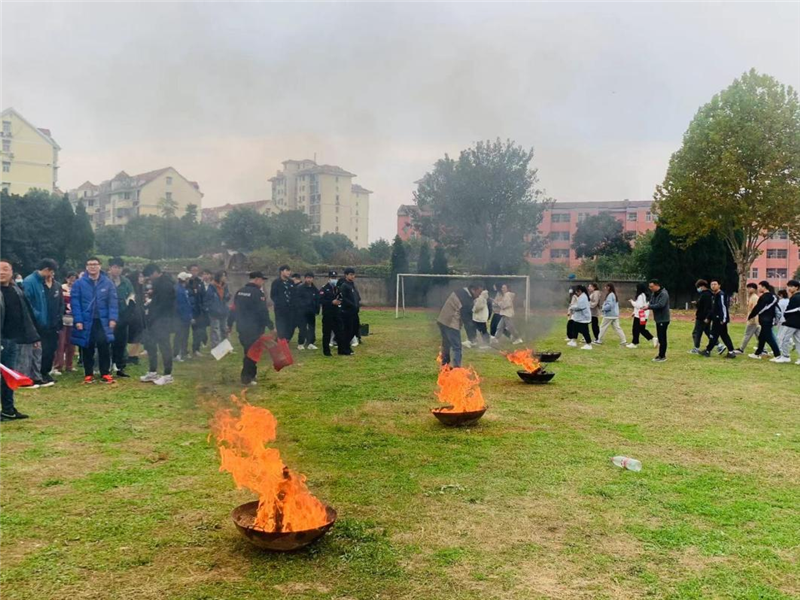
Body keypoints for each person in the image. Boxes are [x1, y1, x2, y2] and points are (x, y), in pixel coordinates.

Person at [1, 259, 39, 421]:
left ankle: (8, 409)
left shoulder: (17, 291)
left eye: (5, 269)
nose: (2, 272)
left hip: (12, 341)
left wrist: (33, 336)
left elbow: (26, 314)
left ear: (12, 272)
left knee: (9, 377)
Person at [71, 257, 118, 384]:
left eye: (95, 264)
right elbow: (75, 303)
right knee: (87, 347)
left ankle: (105, 373)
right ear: (86, 267)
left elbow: (113, 302)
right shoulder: (79, 284)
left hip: (102, 321)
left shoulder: (108, 283)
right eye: (90, 264)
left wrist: (113, 318)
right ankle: (88, 373)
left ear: (100, 266)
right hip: (86, 320)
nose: (92, 267)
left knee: (104, 346)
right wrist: (78, 320)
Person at [19, 259, 60, 386]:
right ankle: (34, 375)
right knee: (37, 351)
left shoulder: (42, 281)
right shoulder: (30, 281)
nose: (51, 275)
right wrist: (37, 316)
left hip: (47, 322)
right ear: (46, 269)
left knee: (48, 349)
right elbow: (27, 302)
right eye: (51, 272)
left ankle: (43, 373)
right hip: (36, 322)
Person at [233, 271, 274, 385]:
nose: (262, 283)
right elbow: (263, 312)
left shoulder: (240, 292)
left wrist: (229, 324)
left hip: (242, 327)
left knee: (248, 351)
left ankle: (252, 374)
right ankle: (246, 377)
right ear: (257, 279)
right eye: (262, 280)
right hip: (254, 328)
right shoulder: (258, 293)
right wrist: (271, 326)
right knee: (251, 353)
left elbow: (233, 309)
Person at [140, 263, 176, 385]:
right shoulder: (158, 283)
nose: (149, 279)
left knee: (164, 346)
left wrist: (152, 311)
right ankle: (152, 371)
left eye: (150, 276)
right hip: (154, 320)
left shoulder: (166, 284)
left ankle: (167, 374)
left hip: (163, 320)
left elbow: (164, 304)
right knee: (151, 345)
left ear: (155, 272)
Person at [437, 283, 483, 367]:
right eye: (479, 293)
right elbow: (467, 320)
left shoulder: (461, 291)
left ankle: (445, 365)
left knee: (446, 344)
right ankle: (457, 369)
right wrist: (472, 337)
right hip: (451, 323)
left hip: (442, 320)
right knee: (457, 347)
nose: (479, 296)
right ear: (473, 290)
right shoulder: (466, 299)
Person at [108, 257, 135, 378]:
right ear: (110, 268)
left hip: (123, 316)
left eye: (119, 268)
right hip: (108, 316)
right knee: (108, 342)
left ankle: (120, 367)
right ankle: (106, 366)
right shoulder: (105, 281)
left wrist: (127, 315)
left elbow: (131, 298)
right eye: (115, 267)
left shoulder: (126, 282)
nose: (117, 270)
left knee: (121, 342)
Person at [700, 279, 736, 359]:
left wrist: (723, 319)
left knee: (714, 335)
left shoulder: (721, 295)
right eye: (712, 284)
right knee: (724, 335)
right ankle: (731, 352)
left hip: (719, 320)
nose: (713, 286)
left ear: (719, 285)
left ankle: (708, 350)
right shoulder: (714, 295)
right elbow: (713, 309)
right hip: (716, 319)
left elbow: (723, 308)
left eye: (715, 284)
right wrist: (708, 317)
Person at [748, 281, 781, 360]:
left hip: (766, 320)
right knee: (762, 337)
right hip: (768, 319)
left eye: (759, 287)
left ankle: (777, 355)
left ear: (764, 287)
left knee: (769, 338)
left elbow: (758, 307)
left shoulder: (765, 297)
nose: (758, 288)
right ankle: (757, 353)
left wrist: (751, 315)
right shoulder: (773, 296)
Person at [319, 271, 347, 356]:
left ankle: (341, 350)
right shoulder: (324, 288)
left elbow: (342, 298)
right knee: (327, 333)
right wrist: (331, 302)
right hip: (328, 314)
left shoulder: (338, 288)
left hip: (337, 313)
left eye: (335, 277)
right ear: (329, 278)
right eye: (332, 277)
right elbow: (320, 300)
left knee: (339, 332)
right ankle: (326, 351)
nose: (334, 279)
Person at [54, 272, 77, 373]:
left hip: (73, 319)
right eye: (70, 279)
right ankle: (58, 365)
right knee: (61, 343)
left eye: (74, 279)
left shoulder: (77, 289)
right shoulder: (61, 288)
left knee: (71, 344)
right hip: (63, 319)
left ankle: (69, 365)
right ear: (66, 279)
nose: (72, 281)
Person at [773, 280, 800, 364]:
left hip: (792, 322)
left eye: (791, 286)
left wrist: (786, 317)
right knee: (798, 340)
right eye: (788, 286)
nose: (789, 288)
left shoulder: (796, 297)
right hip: (797, 322)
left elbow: (790, 310)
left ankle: (785, 356)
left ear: (797, 287)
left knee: (784, 339)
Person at [646, 279, 670, 362]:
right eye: (649, 287)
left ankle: (662, 356)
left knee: (662, 338)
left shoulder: (664, 294)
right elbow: (651, 303)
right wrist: (648, 306)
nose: (650, 288)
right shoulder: (654, 294)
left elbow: (661, 305)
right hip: (658, 319)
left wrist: (649, 307)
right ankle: (660, 355)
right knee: (660, 337)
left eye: (652, 286)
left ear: (657, 285)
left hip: (663, 319)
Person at [294, 272, 319, 351]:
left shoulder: (314, 289)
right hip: (302, 312)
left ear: (313, 279)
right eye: (307, 278)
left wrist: (317, 310)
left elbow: (317, 300)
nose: (309, 279)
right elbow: (297, 300)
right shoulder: (300, 288)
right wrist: (302, 307)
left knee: (312, 327)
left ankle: (310, 343)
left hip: (311, 312)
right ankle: (300, 343)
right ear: (305, 278)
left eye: (310, 278)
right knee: (302, 328)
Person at [205, 270, 231, 349]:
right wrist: (212, 308)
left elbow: (225, 299)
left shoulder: (225, 286)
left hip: (223, 311)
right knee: (215, 330)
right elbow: (208, 299)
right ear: (218, 277)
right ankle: (216, 348)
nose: (224, 277)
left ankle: (226, 347)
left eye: (225, 275)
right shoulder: (211, 287)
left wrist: (228, 297)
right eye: (223, 276)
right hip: (214, 312)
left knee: (224, 329)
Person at [187, 264, 208, 356]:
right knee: (185, 332)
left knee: (198, 331)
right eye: (193, 270)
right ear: (189, 271)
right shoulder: (187, 281)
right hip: (189, 309)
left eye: (196, 270)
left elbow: (203, 295)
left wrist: (203, 307)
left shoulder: (200, 282)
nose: (195, 272)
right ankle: (183, 350)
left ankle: (196, 349)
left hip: (198, 310)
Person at [734, 282, 760, 355]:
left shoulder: (755, 298)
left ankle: (741, 349)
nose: (748, 289)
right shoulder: (751, 297)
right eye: (747, 288)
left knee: (747, 335)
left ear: (754, 289)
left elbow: (755, 309)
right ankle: (763, 349)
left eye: (750, 288)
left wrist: (752, 319)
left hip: (752, 320)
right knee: (759, 336)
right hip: (753, 320)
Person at [339, 268, 362, 353]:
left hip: (354, 312)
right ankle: (344, 348)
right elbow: (344, 298)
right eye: (351, 275)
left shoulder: (352, 285)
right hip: (347, 312)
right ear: (346, 275)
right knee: (347, 330)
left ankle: (346, 345)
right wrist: (352, 305)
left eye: (353, 275)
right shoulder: (344, 286)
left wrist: (357, 304)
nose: (352, 276)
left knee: (355, 329)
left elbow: (357, 297)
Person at [126, 270, 146, 364]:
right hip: (134, 315)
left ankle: (134, 355)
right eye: (140, 277)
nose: (142, 279)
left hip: (140, 314)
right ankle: (131, 355)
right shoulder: (132, 289)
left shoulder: (140, 288)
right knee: (134, 336)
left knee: (139, 336)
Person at [626, 283, 654, 349]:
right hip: (644, 315)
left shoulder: (640, 296)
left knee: (635, 329)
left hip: (639, 315)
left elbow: (638, 305)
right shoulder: (646, 296)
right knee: (641, 329)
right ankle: (653, 338)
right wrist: (634, 312)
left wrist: (632, 302)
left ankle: (634, 343)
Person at [270, 265, 295, 341]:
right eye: (287, 270)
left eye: (289, 270)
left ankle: (287, 339)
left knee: (290, 325)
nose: (289, 272)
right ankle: (281, 339)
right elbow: (273, 295)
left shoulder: (291, 282)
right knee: (281, 325)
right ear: (281, 271)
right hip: (280, 309)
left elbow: (294, 294)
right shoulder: (276, 282)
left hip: (290, 308)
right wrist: (280, 303)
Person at [690, 280, 714, 354]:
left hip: (702, 317)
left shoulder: (705, 295)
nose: (698, 289)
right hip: (705, 316)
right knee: (707, 331)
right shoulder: (708, 294)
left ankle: (696, 348)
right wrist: (697, 303)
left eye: (698, 287)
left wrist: (706, 317)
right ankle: (719, 345)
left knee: (696, 332)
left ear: (702, 286)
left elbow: (706, 307)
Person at [173, 272, 193, 362]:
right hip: (181, 317)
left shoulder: (182, 289)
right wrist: (186, 316)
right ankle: (176, 354)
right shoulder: (179, 290)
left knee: (184, 335)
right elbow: (181, 306)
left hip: (185, 316)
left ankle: (182, 352)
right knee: (179, 335)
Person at [566, 285, 593, 349]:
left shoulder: (583, 297)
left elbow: (580, 307)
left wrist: (572, 307)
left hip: (583, 318)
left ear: (580, 291)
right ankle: (573, 341)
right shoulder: (582, 296)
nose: (576, 293)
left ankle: (589, 344)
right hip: (579, 318)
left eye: (577, 291)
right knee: (574, 328)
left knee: (585, 331)